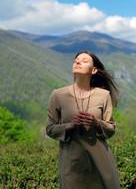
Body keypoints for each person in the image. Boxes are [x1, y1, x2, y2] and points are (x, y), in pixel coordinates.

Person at [46, 51, 120, 189]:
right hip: (71, 165)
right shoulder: (58, 95)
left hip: (101, 163)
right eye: (76, 60)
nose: (78, 62)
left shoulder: (103, 95)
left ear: (94, 70)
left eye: (84, 61)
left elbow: (111, 129)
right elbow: (50, 129)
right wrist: (69, 125)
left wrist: (96, 123)